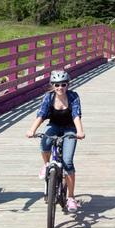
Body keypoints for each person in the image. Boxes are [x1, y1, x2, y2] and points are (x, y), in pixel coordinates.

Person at [25, 69, 85, 213]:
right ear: (52, 85)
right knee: (45, 142)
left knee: (68, 161)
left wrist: (80, 131)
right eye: (57, 85)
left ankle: (70, 197)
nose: (60, 88)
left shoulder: (73, 97)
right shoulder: (49, 97)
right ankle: (46, 165)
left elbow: (76, 115)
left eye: (63, 84)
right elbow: (41, 114)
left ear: (68, 85)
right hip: (54, 125)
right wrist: (31, 130)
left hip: (70, 128)